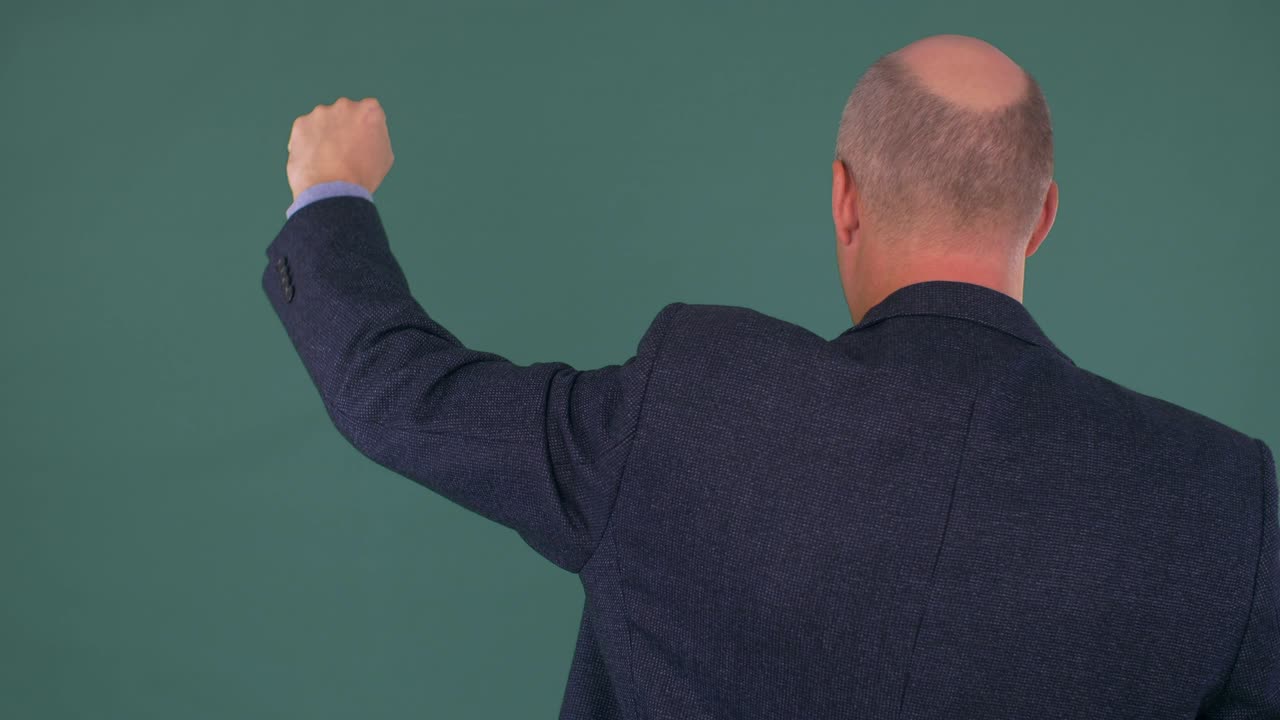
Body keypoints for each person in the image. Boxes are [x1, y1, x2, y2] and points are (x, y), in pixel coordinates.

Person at [263, 33, 1277, 719]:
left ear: (842, 198)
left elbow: (396, 393)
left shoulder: (692, 404)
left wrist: (331, 189)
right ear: (1042, 217)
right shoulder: (1223, 499)